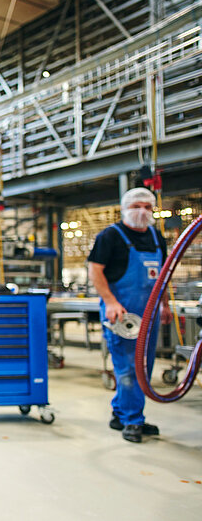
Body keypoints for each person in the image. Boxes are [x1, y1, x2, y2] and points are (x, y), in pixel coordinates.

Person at [88, 187, 172, 443]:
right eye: (136, 206)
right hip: (121, 314)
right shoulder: (110, 236)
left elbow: (164, 275)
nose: (142, 212)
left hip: (150, 313)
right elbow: (95, 270)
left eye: (148, 207)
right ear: (124, 209)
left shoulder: (157, 237)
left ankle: (120, 413)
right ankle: (134, 421)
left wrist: (165, 305)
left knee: (143, 367)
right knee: (127, 369)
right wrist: (110, 302)